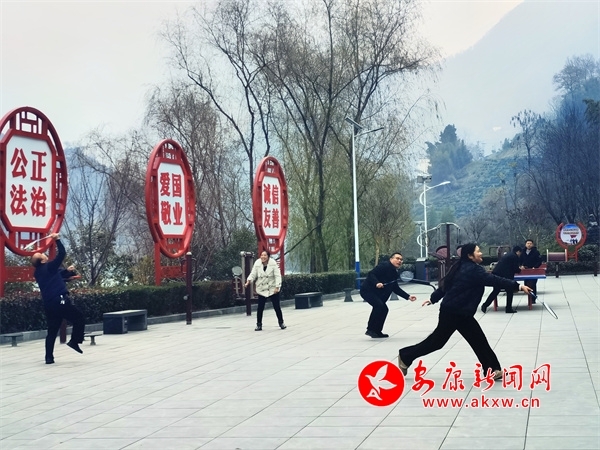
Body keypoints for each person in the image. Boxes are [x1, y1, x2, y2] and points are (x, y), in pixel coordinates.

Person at [398, 243, 533, 380]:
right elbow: (493, 280)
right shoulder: (473, 270)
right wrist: (518, 286)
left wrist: (433, 299)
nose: (481, 253)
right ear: (470, 256)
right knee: (437, 342)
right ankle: (405, 356)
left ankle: (492, 370)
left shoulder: (460, 266)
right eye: (478, 251)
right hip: (453, 312)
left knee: (478, 341)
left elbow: (446, 285)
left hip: (460, 312)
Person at [31, 233, 85, 364]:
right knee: (79, 318)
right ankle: (74, 341)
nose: (44, 254)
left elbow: (57, 276)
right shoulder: (49, 266)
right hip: (59, 300)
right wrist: (57, 240)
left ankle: (49, 358)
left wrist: (67, 271)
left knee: (52, 330)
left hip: (49, 304)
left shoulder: (38, 272)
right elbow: (62, 254)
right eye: (42, 254)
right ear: (42, 261)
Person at [360, 252, 417, 338]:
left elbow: (395, 288)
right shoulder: (384, 266)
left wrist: (408, 296)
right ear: (391, 259)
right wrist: (377, 283)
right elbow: (371, 274)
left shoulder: (394, 273)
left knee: (384, 309)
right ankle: (370, 330)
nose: (399, 261)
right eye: (397, 258)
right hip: (367, 291)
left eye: (401, 260)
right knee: (379, 306)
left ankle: (377, 331)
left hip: (377, 293)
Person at [245, 250, 285, 331]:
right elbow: (253, 273)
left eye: (265, 255)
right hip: (262, 288)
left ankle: (281, 323)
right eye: (261, 255)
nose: (263, 257)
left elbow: (277, 276)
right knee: (260, 307)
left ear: (268, 257)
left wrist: (277, 287)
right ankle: (259, 324)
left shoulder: (273, 263)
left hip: (272, 288)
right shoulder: (257, 263)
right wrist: (248, 281)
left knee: (277, 307)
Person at [481, 245, 522, 314]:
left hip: (497, 274)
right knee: (509, 291)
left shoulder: (508, 255)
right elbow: (515, 268)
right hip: (505, 276)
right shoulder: (514, 256)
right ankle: (508, 308)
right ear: (518, 252)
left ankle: (485, 305)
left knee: (496, 291)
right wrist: (520, 270)